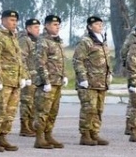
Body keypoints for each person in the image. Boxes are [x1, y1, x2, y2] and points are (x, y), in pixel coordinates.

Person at [0, 9, 27, 152]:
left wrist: (23, 76)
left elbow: (18, 58)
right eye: (11, 20)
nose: (14, 23)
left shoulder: (12, 36)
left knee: (10, 112)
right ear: (3, 20)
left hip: (14, 80)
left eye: (15, 21)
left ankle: (3, 137)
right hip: (2, 80)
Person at [74, 15, 112, 146]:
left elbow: (107, 61)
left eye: (101, 24)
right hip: (89, 82)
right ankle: (85, 134)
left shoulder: (102, 41)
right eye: (97, 24)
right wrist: (82, 78)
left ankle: (94, 133)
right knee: (88, 109)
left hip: (101, 82)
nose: (100, 26)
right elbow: (78, 60)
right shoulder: (86, 41)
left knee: (98, 109)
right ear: (90, 27)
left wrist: (109, 74)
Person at [33, 14, 68, 149]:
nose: (57, 27)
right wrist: (46, 81)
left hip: (57, 81)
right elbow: (40, 63)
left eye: (58, 25)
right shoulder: (43, 41)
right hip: (47, 83)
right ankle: (39, 137)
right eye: (54, 25)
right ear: (46, 26)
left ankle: (48, 134)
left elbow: (61, 61)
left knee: (53, 111)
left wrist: (64, 75)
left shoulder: (58, 41)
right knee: (43, 111)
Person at [18, 17, 41, 136]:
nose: (38, 30)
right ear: (28, 28)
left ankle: (31, 124)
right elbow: (21, 58)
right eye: (35, 27)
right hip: (29, 76)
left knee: (34, 102)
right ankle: (24, 126)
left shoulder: (37, 41)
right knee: (27, 101)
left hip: (36, 76)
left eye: (38, 27)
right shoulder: (25, 40)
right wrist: (25, 76)